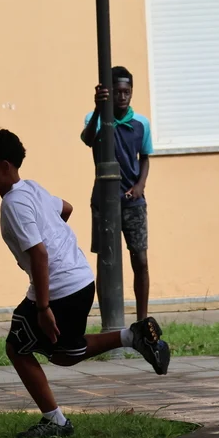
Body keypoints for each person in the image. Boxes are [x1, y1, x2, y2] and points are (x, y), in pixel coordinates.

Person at [0, 128, 170, 438]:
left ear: (4, 166)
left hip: (59, 288)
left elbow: (39, 254)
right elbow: (65, 208)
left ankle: (56, 422)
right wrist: (54, 239)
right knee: (65, 353)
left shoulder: (13, 203)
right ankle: (133, 337)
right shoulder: (32, 189)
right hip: (79, 278)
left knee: (17, 347)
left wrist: (43, 308)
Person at [80, 66, 154, 320]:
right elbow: (87, 139)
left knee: (140, 259)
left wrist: (140, 185)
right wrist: (99, 109)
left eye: (127, 91)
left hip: (133, 202)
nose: (122, 97)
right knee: (106, 261)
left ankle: (142, 319)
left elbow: (145, 157)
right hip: (103, 201)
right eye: (117, 92)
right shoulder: (97, 119)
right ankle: (108, 319)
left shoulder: (141, 123)